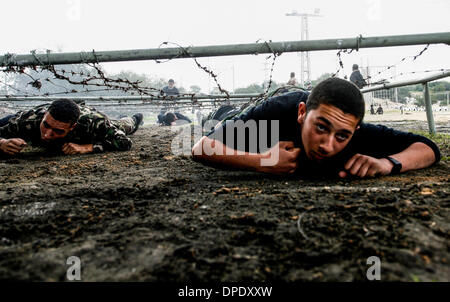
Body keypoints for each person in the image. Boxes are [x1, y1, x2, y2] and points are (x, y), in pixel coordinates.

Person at [191, 77, 440, 178]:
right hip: (232, 120)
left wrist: (388, 163)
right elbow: (202, 147)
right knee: (220, 119)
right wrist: (264, 161)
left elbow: (427, 148)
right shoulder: (276, 113)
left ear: (355, 131)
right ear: (302, 113)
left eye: (342, 136)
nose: (328, 145)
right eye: (320, 127)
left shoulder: (356, 132)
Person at [0, 99, 144, 156]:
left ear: (72, 127)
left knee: (124, 126)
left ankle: (133, 118)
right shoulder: (27, 120)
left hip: (92, 126)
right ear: (44, 117)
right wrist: (2, 143)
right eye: (46, 125)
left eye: (57, 131)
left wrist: (87, 147)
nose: (47, 135)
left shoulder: (93, 123)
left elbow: (125, 142)